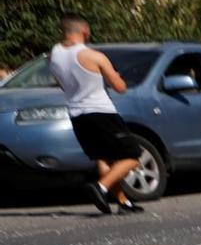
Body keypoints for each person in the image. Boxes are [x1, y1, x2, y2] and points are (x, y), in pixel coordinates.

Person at [49, 13, 144, 214]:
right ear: (85, 31)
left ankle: (122, 202)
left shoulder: (54, 54)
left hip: (77, 114)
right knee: (133, 155)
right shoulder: (93, 56)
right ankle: (100, 187)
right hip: (101, 113)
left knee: (104, 158)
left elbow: (61, 83)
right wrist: (116, 76)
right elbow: (120, 87)